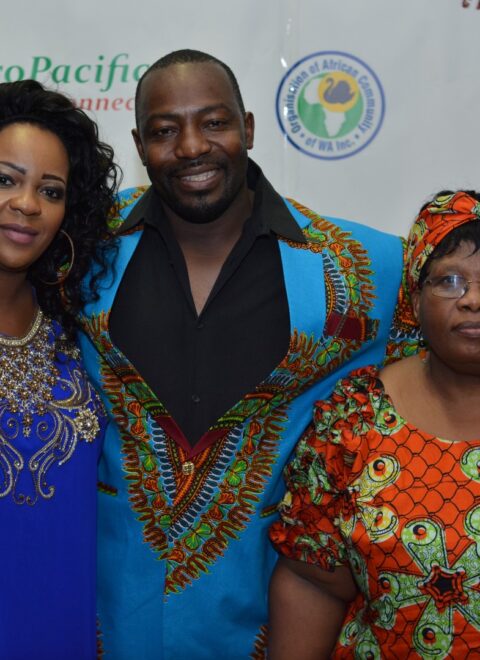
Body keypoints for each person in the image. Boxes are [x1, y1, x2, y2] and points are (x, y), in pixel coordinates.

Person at [76, 49, 416, 659]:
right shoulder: (82, 246)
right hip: (103, 614)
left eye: (214, 122)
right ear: (139, 144)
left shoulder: (370, 268)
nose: (191, 147)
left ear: (249, 128)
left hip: (274, 620)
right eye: (164, 130)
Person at [269, 190, 480, 659]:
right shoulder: (356, 419)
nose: (473, 300)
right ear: (415, 300)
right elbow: (315, 579)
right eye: (449, 280)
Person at [0, 79, 119, 658]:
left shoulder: (77, 329)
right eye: (6, 179)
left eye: (50, 190)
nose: (27, 204)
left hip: (65, 630)